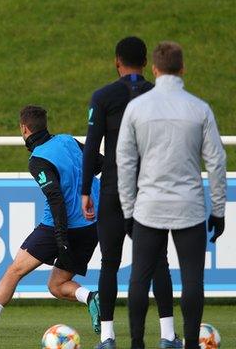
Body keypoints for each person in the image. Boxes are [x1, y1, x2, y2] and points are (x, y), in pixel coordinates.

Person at [0, 105, 101, 339]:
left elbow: (56, 200)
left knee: (15, 271)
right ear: (45, 124)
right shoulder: (68, 141)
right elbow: (99, 164)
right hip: (90, 224)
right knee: (57, 285)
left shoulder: (38, 159)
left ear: (24, 128)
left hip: (58, 226)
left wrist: (61, 241)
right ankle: (92, 297)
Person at [117, 41, 226, 349]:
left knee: (139, 278)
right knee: (192, 279)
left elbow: (124, 162)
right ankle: (191, 343)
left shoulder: (137, 108)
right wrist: (218, 210)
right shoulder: (199, 108)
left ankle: (137, 343)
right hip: (188, 206)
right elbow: (216, 162)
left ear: (154, 68)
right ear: (182, 68)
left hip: (148, 206)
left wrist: (128, 209)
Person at [82, 36, 180, 349]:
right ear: (146, 63)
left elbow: (91, 146)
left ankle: (108, 337)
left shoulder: (104, 96)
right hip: (150, 189)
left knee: (109, 263)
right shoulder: (159, 96)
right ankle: (167, 336)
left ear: (116, 61)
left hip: (112, 189)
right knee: (159, 262)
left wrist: (86, 190)